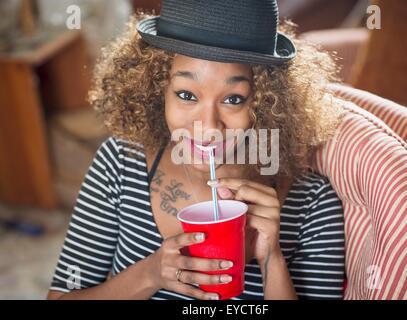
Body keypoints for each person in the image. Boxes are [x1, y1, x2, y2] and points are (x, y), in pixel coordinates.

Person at [48, 0, 346, 300]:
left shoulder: (312, 204)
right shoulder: (120, 163)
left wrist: (272, 262)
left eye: (233, 99)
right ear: (156, 89)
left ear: (267, 101)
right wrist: (150, 274)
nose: (208, 126)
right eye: (187, 94)